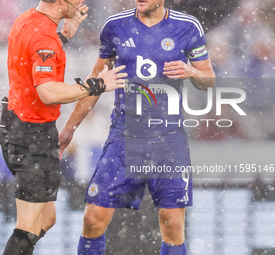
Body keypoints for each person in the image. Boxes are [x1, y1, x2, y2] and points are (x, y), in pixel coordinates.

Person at [59, 0, 215, 254]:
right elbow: (95, 82)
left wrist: (193, 72)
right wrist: (69, 130)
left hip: (168, 138)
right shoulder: (115, 26)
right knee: (92, 219)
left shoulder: (187, 27)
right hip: (124, 136)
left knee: (173, 224)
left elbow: (209, 79)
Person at [0, 0, 128, 254]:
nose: (81, 2)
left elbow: (35, 54)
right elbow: (47, 92)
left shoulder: (28, 19)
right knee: (26, 228)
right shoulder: (44, 36)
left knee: (46, 219)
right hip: (31, 136)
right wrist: (97, 85)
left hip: (15, 125)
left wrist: (63, 36)